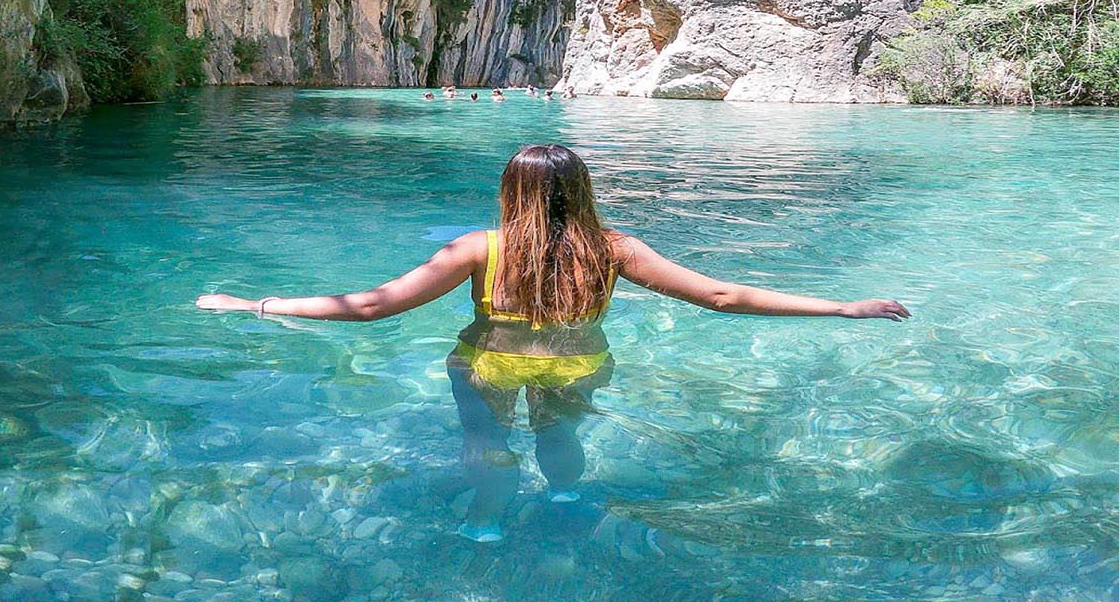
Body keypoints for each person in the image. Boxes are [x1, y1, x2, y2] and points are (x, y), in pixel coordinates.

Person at [195, 144, 909, 543]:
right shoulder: (615, 249)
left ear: (511, 191)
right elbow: (722, 295)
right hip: (578, 362)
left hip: (487, 365)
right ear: (585, 190)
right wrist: (842, 307)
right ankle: (567, 502)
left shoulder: (477, 248)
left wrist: (254, 303)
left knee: (486, 445)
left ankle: (486, 523)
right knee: (559, 439)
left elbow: (375, 306)